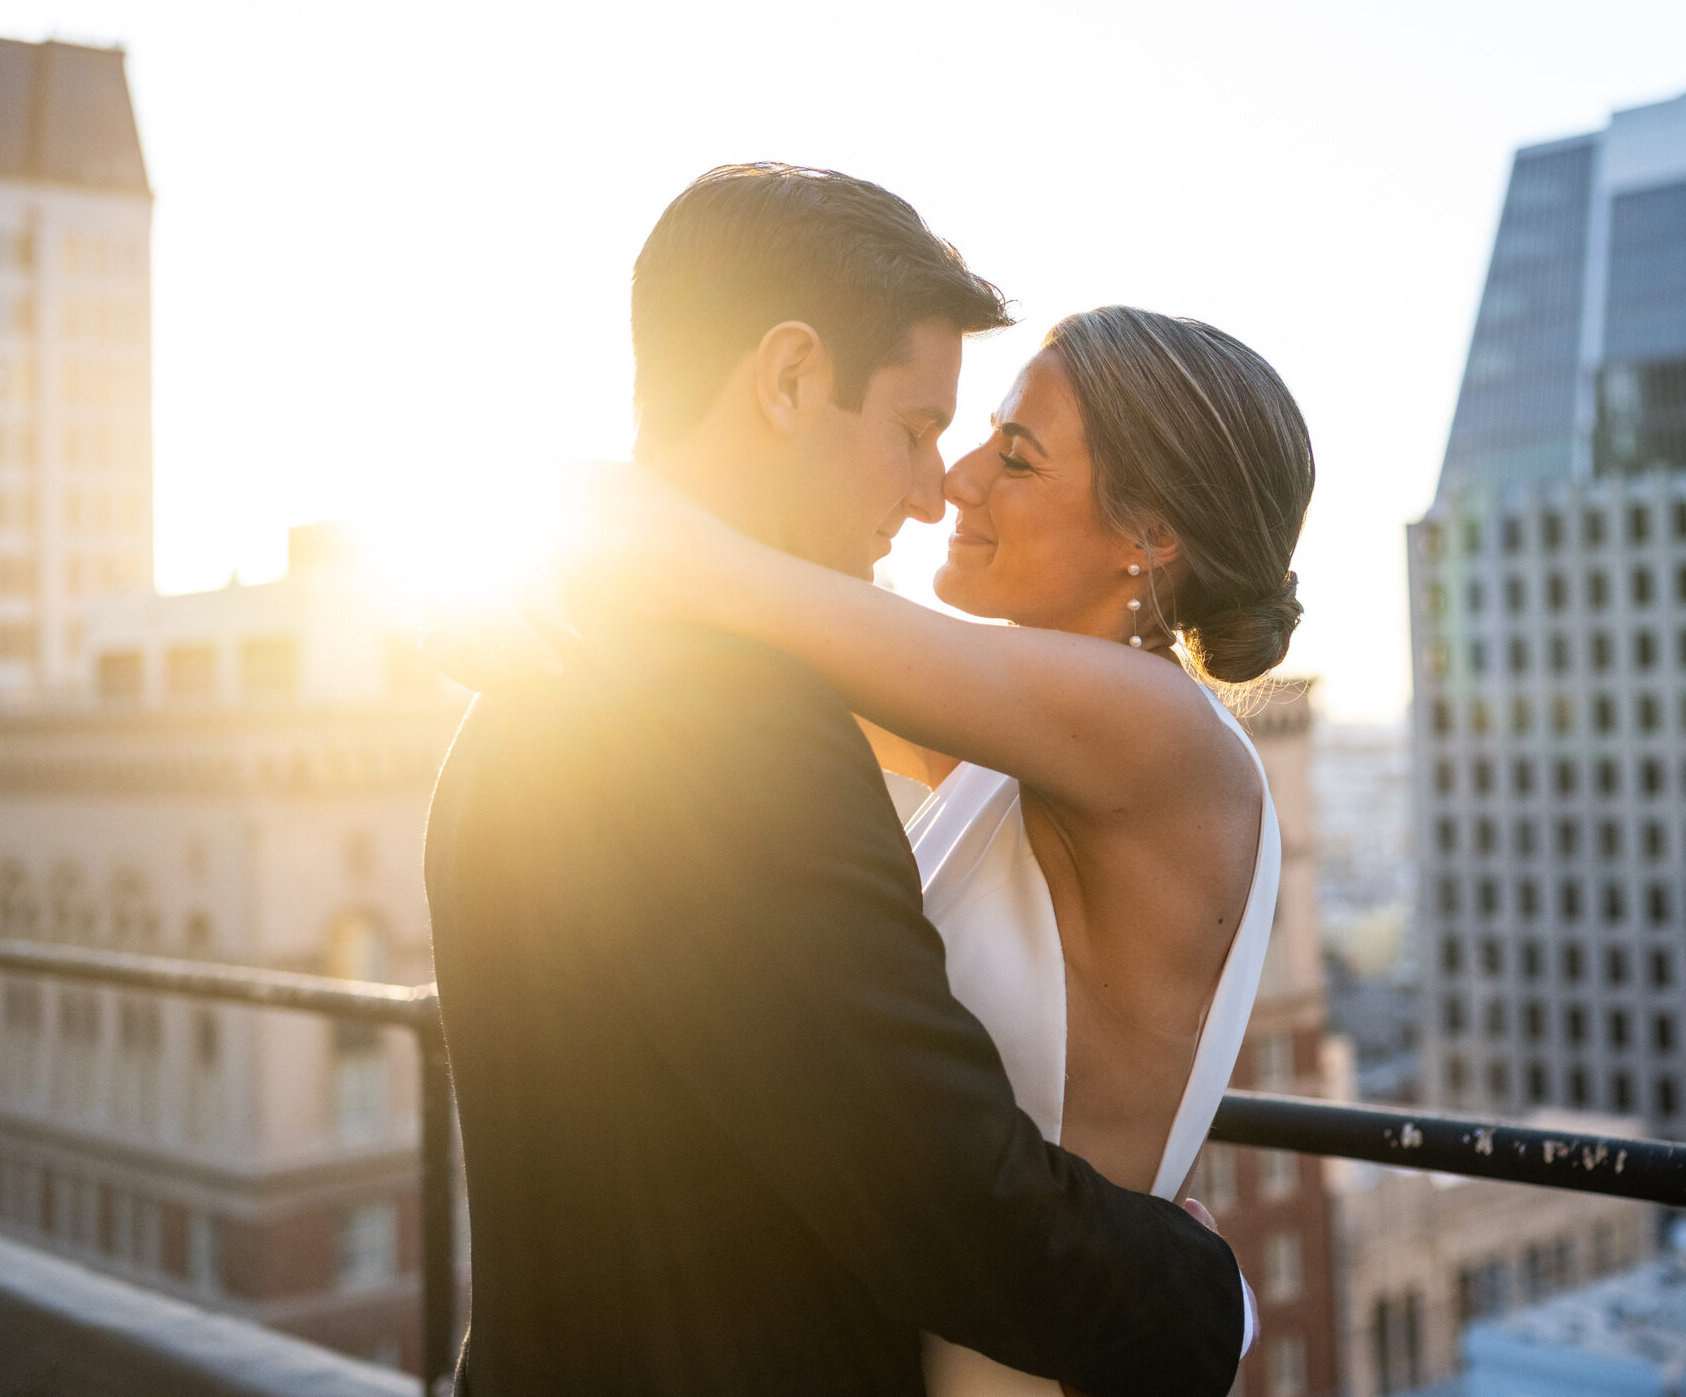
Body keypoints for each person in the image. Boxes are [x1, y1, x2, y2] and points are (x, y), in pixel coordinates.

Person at [422, 163, 1249, 1397]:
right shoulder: (736, 721)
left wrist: (553, 535)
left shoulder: (540, 680)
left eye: (996, 453)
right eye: (917, 430)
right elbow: (938, 1199)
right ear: (792, 376)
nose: (936, 492)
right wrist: (1205, 1297)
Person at [563, 301, 1316, 1397]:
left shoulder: (1153, 732)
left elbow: (731, 586)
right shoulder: (1023, 748)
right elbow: (717, 649)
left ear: (1148, 535)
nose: (953, 482)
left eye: (1013, 456)